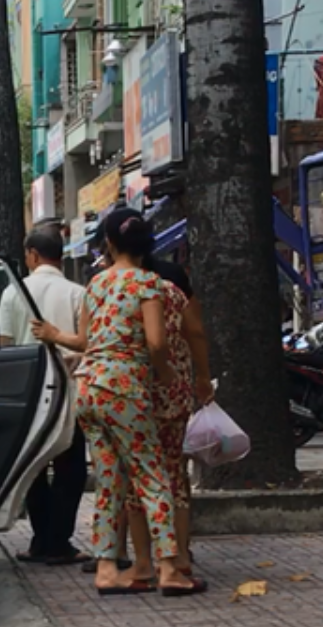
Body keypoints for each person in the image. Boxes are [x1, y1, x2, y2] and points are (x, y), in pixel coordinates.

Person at [32, 215, 204, 596]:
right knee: (152, 474)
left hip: (89, 387)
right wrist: (165, 374)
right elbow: (157, 343)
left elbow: (84, 341)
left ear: (108, 244)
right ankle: (169, 568)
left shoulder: (96, 284)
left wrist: (54, 334)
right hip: (125, 386)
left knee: (109, 479)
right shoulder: (149, 285)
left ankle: (107, 567)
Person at [0, 228, 89, 565]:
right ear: (60, 256)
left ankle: (42, 539)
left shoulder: (13, 293)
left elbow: (5, 349)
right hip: (69, 391)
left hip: (30, 394)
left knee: (33, 466)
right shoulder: (78, 293)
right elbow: (86, 343)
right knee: (71, 465)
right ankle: (58, 540)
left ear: (33, 255)